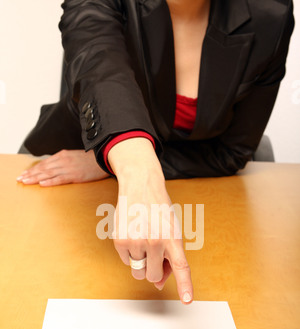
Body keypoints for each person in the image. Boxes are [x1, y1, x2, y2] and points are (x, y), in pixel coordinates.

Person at [17, 0, 294, 303]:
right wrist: (132, 165)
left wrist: (106, 166)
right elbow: (99, 63)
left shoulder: (270, 12)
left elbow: (230, 152)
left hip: (204, 194)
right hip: (76, 175)